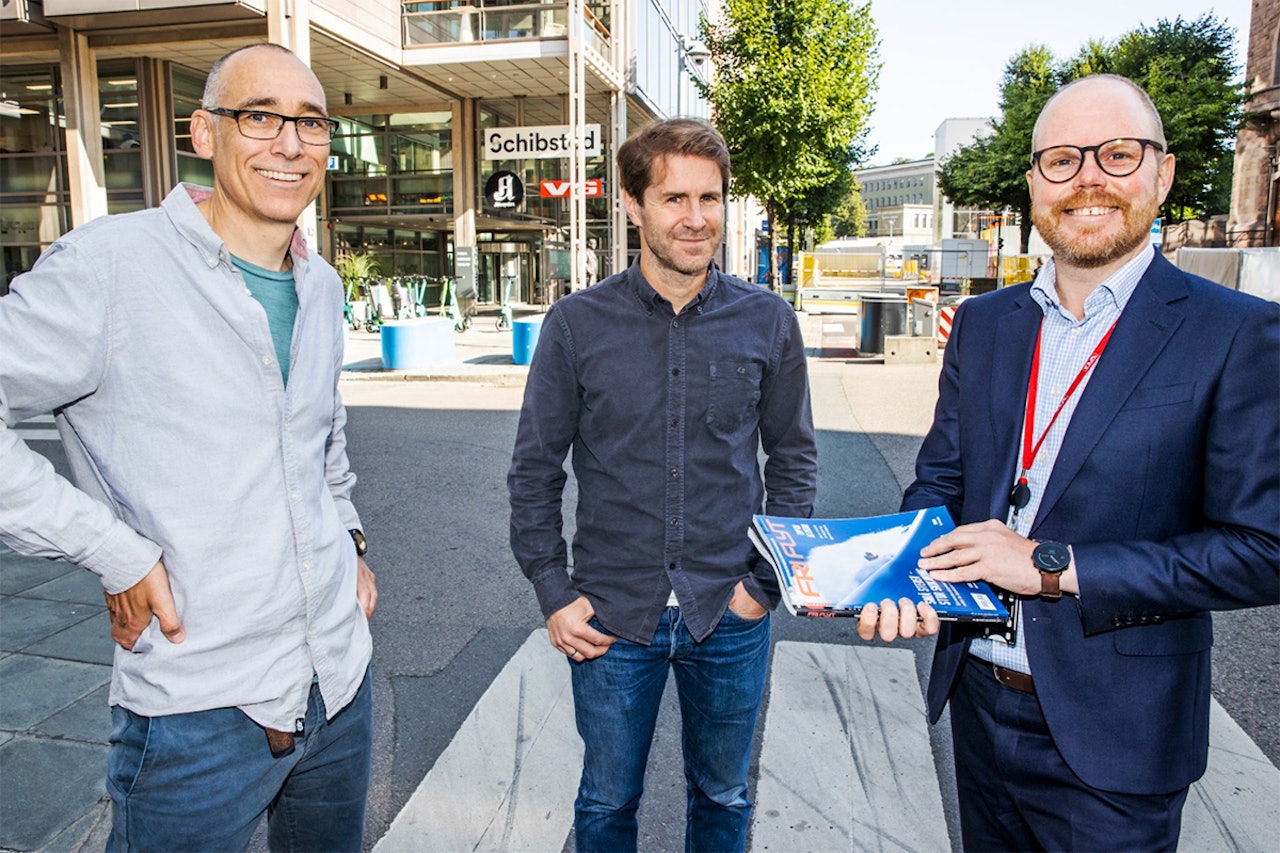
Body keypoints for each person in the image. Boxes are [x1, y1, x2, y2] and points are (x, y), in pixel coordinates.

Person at [858, 74, 1280, 850]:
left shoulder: (1239, 334)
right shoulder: (984, 325)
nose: (1087, 178)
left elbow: (1262, 552)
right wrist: (907, 573)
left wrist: (1052, 565)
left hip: (1120, 738)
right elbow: (941, 483)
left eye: (1117, 154)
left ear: (1164, 172)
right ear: (1033, 185)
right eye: (1061, 160)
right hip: (979, 708)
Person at [0, 43, 377, 852]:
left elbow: (321, 436)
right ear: (204, 132)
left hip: (339, 683)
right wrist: (115, 551)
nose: (288, 143)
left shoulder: (322, 285)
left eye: (310, 123)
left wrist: (348, 534)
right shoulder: (110, 266)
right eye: (260, 116)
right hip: (197, 709)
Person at [508, 118, 817, 853]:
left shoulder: (767, 321)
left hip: (729, 611)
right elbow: (534, 469)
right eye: (675, 197)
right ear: (632, 204)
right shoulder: (577, 325)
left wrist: (761, 586)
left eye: (710, 198)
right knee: (608, 801)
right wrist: (555, 592)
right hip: (612, 615)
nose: (696, 218)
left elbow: (795, 461)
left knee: (724, 796)